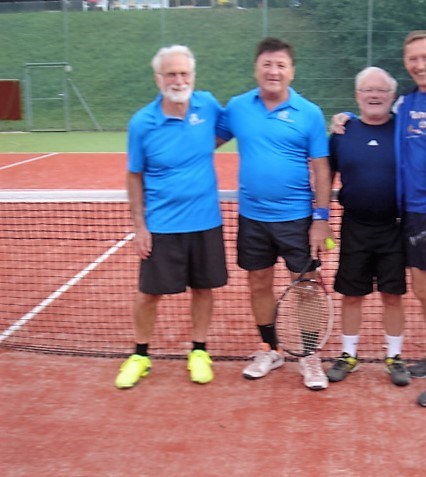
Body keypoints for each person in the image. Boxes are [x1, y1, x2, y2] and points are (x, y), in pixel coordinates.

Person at [332, 30, 426, 407]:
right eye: (412, 59)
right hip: (412, 214)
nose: (419, 65)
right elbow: (375, 116)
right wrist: (346, 117)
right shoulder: (406, 103)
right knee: (423, 291)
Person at [216, 37, 333, 391]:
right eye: (267, 64)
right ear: (256, 69)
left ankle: (310, 355)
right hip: (252, 218)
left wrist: (321, 218)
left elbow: (322, 170)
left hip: (298, 220)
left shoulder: (309, 113)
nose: (273, 71)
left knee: (307, 288)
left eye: (281, 65)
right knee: (258, 283)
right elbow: (204, 142)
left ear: (291, 71)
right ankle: (270, 349)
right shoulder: (238, 108)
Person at [115, 45, 228, 389]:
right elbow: (134, 175)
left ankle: (199, 351)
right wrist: (140, 226)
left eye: (184, 73)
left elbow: (233, 127)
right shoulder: (142, 123)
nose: (178, 80)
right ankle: (140, 355)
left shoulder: (207, 105)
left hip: (205, 221)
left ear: (193, 76)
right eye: (171, 74)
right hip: (162, 225)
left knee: (203, 289)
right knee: (149, 293)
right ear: (158, 79)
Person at [327, 66, 410, 387]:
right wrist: (320, 218)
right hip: (354, 227)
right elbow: (326, 175)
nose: (375, 95)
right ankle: (348, 355)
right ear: (357, 95)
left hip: (395, 228)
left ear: (392, 96)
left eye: (381, 91)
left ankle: (394, 356)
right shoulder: (342, 133)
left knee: (392, 295)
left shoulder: (404, 130)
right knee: (351, 295)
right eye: (368, 90)